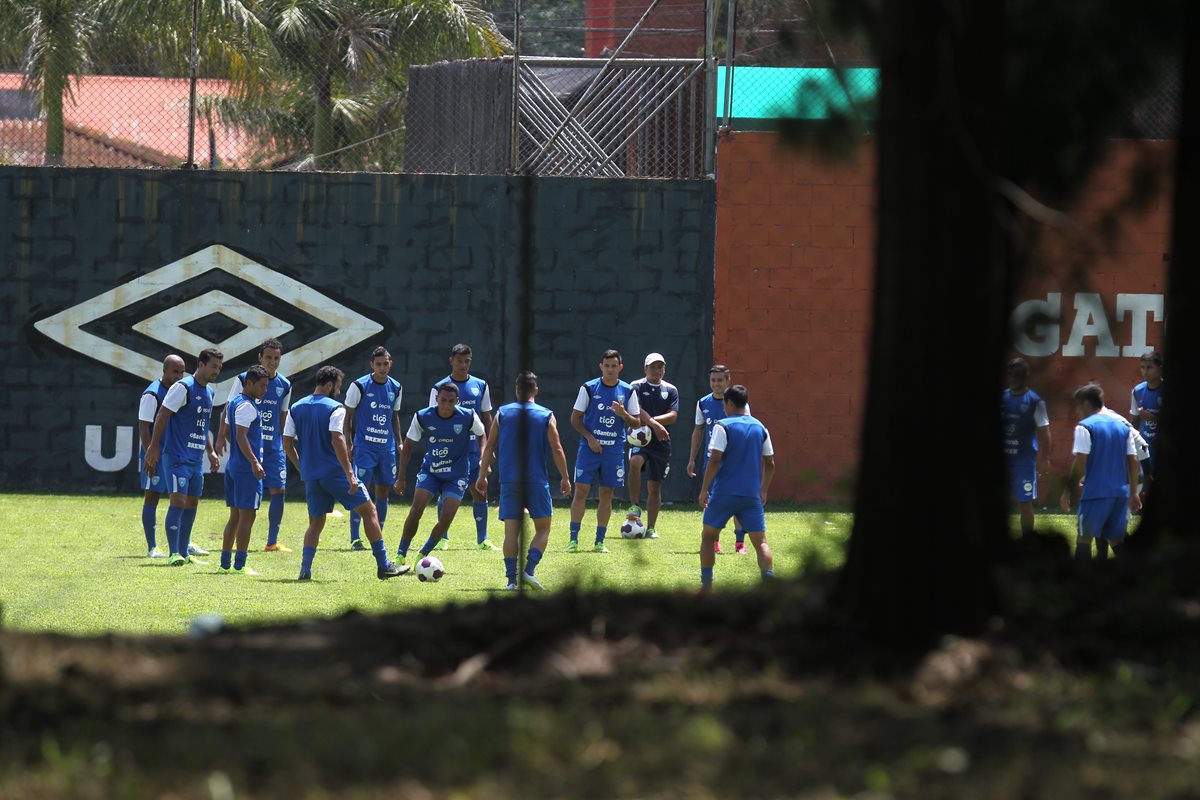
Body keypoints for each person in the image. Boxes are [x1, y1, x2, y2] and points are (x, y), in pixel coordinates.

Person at [282, 366, 406, 581]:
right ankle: (384, 565)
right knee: (370, 511)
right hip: (335, 473)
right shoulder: (335, 408)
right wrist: (349, 473)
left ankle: (305, 570)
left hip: (312, 475)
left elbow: (286, 442)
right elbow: (337, 439)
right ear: (329, 385)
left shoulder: (296, 407)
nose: (338, 392)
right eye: (337, 387)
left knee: (315, 523)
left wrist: (302, 467)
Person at [476, 371, 572, 590]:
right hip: (537, 480)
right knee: (543, 529)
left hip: (510, 481)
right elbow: (557, 448)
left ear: (516, 389)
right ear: (536, 390)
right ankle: (528, 571)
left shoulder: (502, 413)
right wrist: (565, 477)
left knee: (511, 532)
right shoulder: (546, 415)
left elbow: (489, 446)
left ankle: (511, 580)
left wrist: (482, 476)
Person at [143, 348, 224, 565]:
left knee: (192, 503)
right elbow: (162, 415)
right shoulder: (183, 387)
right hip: (177, 455)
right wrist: (152, 447)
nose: (216, 371)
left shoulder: (209, 393)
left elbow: (203, 424)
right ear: (201, 364)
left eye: (219, 367)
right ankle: (173, 553)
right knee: (177, 502)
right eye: (213, 366)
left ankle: (185, 552)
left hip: (196, 458)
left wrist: (210, 450)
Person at [394, 382, 486, 563]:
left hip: (457, 475)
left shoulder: (468, 416)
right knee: (416, 510)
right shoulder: (422, 416)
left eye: (451, 401)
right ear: (436, 399)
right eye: (443, 400)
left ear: (457, 401)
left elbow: (482, 434)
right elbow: (408, 445)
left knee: (447, 517)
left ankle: (423, 553)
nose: (446, 405)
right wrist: (401, 477)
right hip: (431, 472)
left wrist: (483, 458)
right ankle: (400, 554)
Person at [215, 338, 293, 552]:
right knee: (243, 507)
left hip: (273, 447)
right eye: (268, 357)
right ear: (260, 357)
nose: (272, 362)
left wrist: (284, 443)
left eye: (276, 358)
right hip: (250, 445)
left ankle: (271, 542)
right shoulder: (244, 379)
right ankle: (237, 551)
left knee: (279, 489)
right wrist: (222, 436)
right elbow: (228, 409)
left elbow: (283, 416)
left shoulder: (285, 385)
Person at [696, 385, 775, 591]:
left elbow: (714, 460)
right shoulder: (760, 427)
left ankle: (706, 587)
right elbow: (770, 463)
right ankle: (769, 586)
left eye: (724, 403)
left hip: (723, 494)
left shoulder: (723, 426)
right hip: (751, 496)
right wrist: (764, 489)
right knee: (761, 543)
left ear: (729, 403)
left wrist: (704, 489)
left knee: (708, 537)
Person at [568, 349, 642, 552]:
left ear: (620, 367)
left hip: (614, 450)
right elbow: (575, 418)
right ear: (601, 366)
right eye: (607, 366)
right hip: (589, 449)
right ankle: (573, 540)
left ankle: (599, 542)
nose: (610, 370)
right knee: (581, 491)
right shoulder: (589, 388)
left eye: (614, 366)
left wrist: (623, 413)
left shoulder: (628, 391)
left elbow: (636, 423)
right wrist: (590, 438)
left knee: (607, 493)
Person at [1060, 383, 1141, 562]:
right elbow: (1133, 461)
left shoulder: (1085, 426)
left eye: (1078, 406)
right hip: (1119, 494)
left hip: (1096, 493)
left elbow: (1081, 460)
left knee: (1084, 538)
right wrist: (1134, 493)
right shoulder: (1123, 427)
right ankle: (1139, 577)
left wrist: (1068, 491)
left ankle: (1082, 583)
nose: (1077, 411)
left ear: (1087, 404)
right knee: (1116, 540)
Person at [428, 343, 496, 551]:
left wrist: (489, 447)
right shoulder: (439, 387)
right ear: (451, 360)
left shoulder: (480, 385)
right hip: (448, 450)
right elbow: (431, 418)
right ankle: (443, 538)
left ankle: (482, 539)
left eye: (467, 361)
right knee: (446, 493)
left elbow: (486, 417)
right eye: (459, 361)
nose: (463, 365)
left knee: (480, 490)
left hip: (474, 450)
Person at [344, 346, 404, 550]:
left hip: (386, 448)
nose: (382, 367)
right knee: (360, 490)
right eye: (378, 364)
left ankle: (378, 534)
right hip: (364, 447)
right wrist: (349, 442)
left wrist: (399, 441)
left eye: (385, 364)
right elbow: (347, 416)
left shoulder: (396, 387)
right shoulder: (359, 386)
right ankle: (355, 538)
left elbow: (394, 416)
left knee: (383, 491)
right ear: (372, 365)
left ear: (390, 363)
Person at [686, 364, 750, 554]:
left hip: (735, 463)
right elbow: (698, 430)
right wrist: (691, 459)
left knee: (738, 503)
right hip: (712, 463)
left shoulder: (739, 403)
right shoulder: (703, 403)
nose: (716, 384)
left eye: (720, 380)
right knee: (711, 502)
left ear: (728, 380)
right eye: (713, 380)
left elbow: (747, 429)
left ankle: (740, 544)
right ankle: (714, 542)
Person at [218, 365, 269, 574]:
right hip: (245, 471)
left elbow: (232, 432)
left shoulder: (235, 403)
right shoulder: (246, 406)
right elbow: (240, 436)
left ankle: (224, 564)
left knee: (235, 517)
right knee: (247, 518)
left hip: (234, 467)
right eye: (261, 386)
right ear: (249, 384)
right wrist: (254, 462)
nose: (264, 390)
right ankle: (240, 565)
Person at [136, 354, 186, 558]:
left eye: (182, 371)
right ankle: (152, 547)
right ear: (164, 370)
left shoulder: (182, 390)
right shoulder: (152, 394)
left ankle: (184, 542)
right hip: (156, 453)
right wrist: (150, 454)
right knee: (152, 496)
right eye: (175, 371)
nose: (179, 375)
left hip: (175, 454)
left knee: (182, 498)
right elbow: (144, 426)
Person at [626, 352, 679, 540]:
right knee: (634, 462)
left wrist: (654, 423)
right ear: (645, 369)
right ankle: (634, 504)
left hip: (661, 442)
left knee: (655, 487)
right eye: (653, 367)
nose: (656, 371)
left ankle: (650, 528)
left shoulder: (671, 389)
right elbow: (637, 410)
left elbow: (673, 415)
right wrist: (655, 425)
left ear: (664, 369)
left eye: (660, 367)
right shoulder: (636, 386)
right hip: (639, 439)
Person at [1001, 358, 1051, 536]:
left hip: (1024, 462)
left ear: (1025, 377)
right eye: (1011, 375)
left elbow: (1044, 432)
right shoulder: (1003, 397)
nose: (1014, 378)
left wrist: (1044, 459)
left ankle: (1028, 539)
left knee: (1025, 503)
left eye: (1018, 375)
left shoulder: (1036, 401)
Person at [1130, 349, 1164, 493]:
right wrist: (1132, 443)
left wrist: (1153, 418)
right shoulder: (1137, 391)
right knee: (1145, 480)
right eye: (1142, 367)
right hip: (1144, 445)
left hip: (1163, 444)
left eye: (1149, 367)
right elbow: (1135, 421)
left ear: (1160, 368)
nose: (1145, 371)